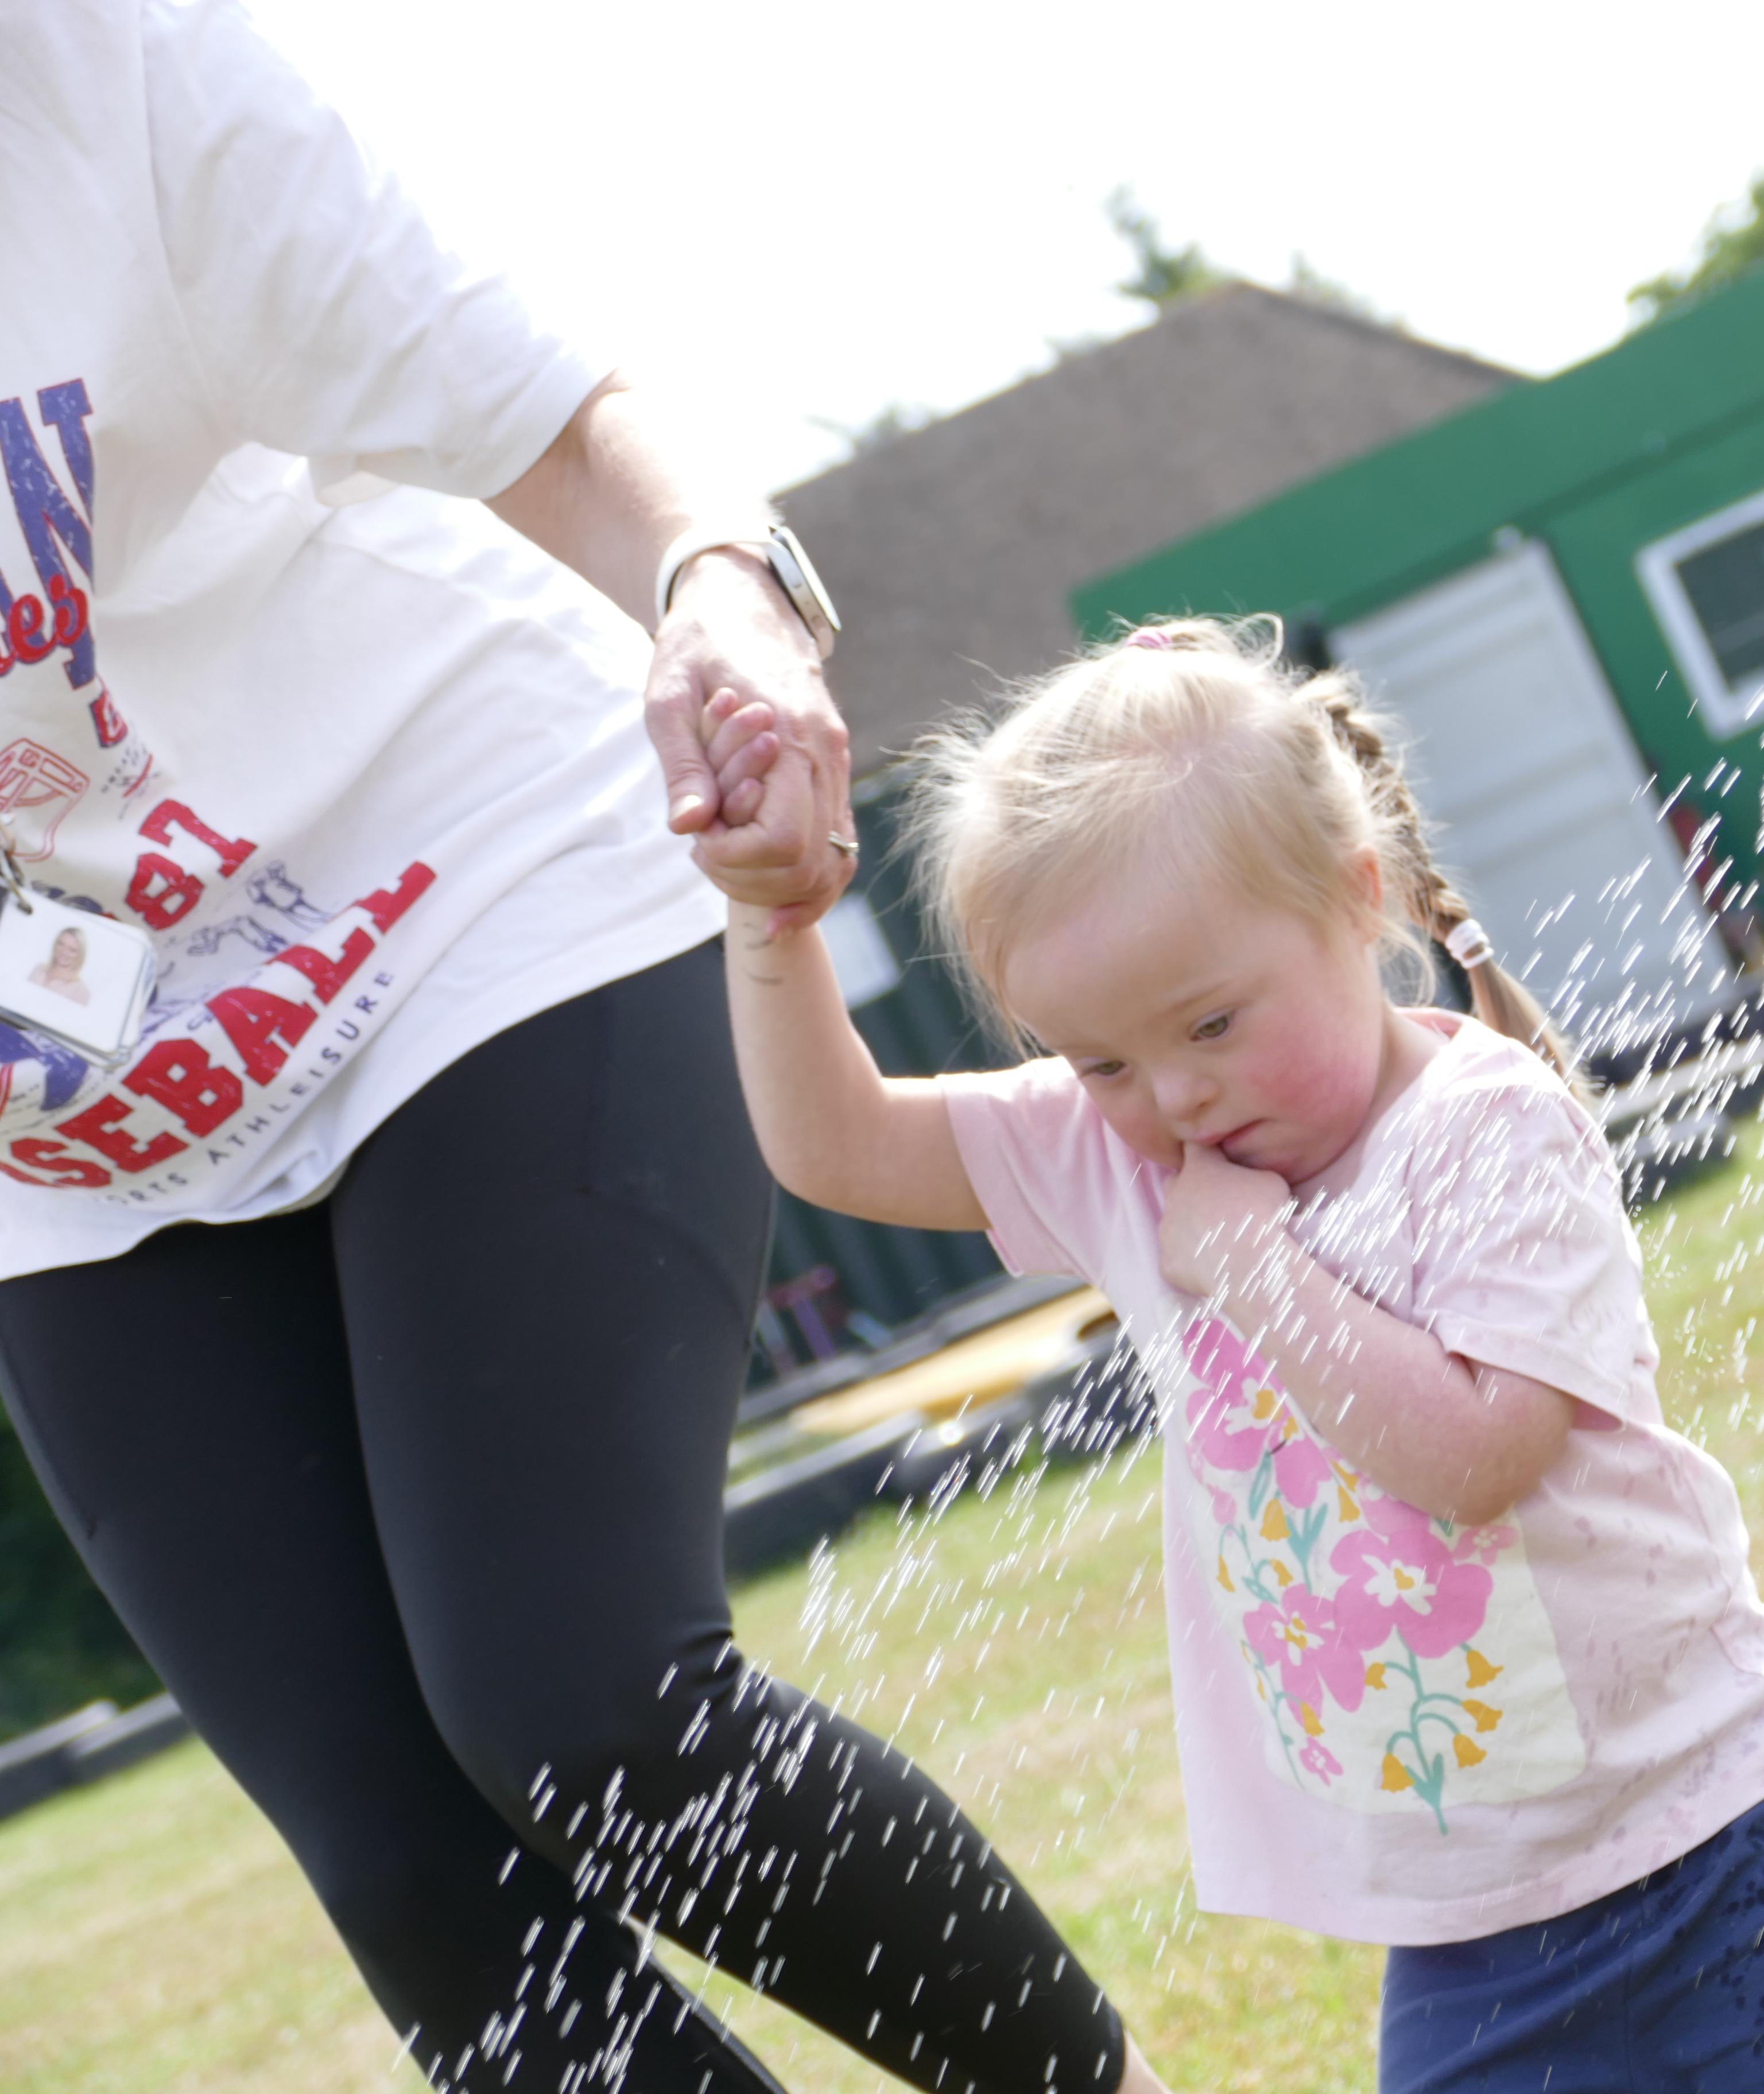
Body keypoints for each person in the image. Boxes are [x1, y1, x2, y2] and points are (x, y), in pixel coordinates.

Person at [0, 5, 1162, 2089]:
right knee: (413, 1871)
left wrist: (719, 591)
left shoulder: (100, 75)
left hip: (461, 879)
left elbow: (560, 423)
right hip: (76, 1112)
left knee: (586, 1708)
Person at [716, 618, 1764, 2093]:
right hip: (1466, 1927)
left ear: (1357, 901)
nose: (1175, 1096)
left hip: (1718, 1836)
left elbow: (1479, 1456)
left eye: (1212, 1023)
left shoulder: (1481, 1129)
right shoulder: (1125, 1161)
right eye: (1100, 1061)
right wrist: (772, 922)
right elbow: (838, 1145)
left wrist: (1250, 1263)